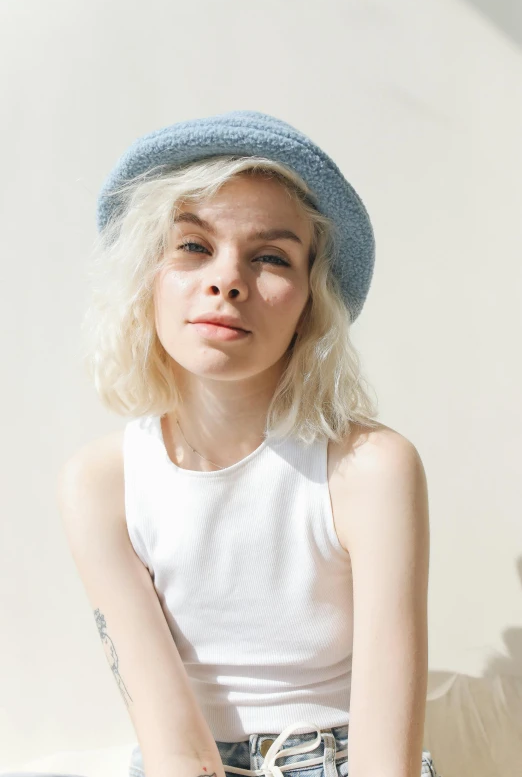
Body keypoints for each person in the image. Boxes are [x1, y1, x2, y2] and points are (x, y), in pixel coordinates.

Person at [57, 110, 441, 777]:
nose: (226, 280)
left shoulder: (370, 469)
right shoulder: (100, 482)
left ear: (310, 302)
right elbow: (175, 748)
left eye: (270, 257)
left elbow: (388, 763)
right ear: (149, 275)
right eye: (193, 247)